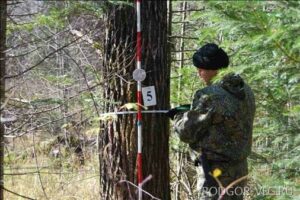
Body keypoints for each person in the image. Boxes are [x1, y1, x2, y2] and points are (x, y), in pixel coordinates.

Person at [172, 43, 255, 199]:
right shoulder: (245, 90)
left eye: (201, 69)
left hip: (215, 172)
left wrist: (177, 116)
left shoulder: (209, 95)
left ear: (213, 70)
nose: (199, 73)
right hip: (239, 169)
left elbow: (186, 132)